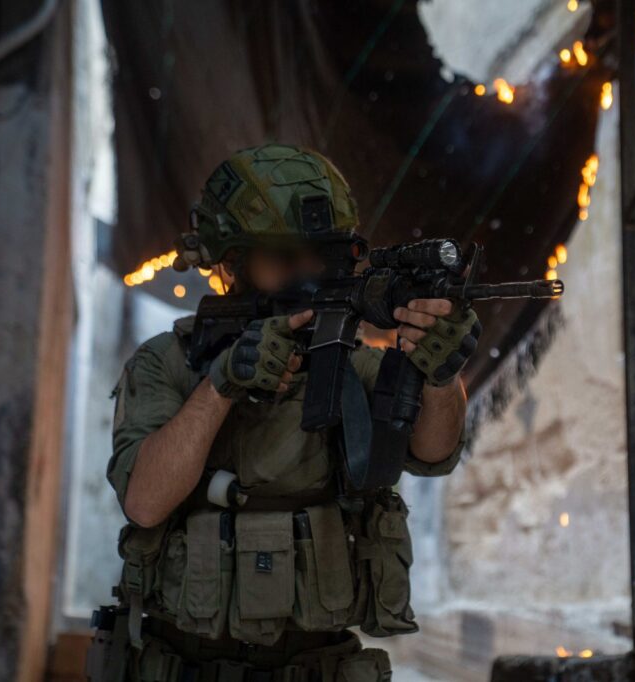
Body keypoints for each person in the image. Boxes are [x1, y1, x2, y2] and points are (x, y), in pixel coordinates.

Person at [90, 144, 481, 681]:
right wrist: (224, 381)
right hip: (185, 662)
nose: (307, 275)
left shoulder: (350, 359)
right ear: (232, 263)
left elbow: (433, 452)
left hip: (318, 663)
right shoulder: (170, 362)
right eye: (283, 258)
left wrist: (440, 373)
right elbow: (145, 502)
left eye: (319, 256)